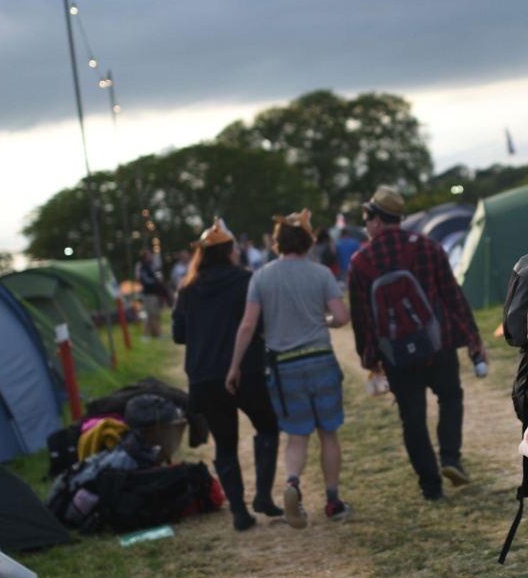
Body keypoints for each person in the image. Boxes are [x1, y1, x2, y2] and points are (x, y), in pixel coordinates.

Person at [346, 186, 486, 501]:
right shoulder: (428, 246)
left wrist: (370, 357)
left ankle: (430, 486)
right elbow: (452, 295)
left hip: (395, 355)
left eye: (367, 218)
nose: (366, 225)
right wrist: (472, 338)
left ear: (378, 220)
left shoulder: (360, 262)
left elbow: (362, 317)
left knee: (412, 419)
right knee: (450, 397)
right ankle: (450, 457)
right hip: (438, 345)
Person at [227, 210, 351, 525]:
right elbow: (341, 317)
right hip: (320, 358)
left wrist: (234, 367)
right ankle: (333, 501)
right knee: (328, 433)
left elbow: (247, 325)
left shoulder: (261, 277)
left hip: (284, 367)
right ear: (308, 241)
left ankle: (292, 483)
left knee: (297, 436)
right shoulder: (321, 273)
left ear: (278, 242)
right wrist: (320, 320)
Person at [174, 220, 282, 531]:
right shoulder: (246, 280)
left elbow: (179, 335)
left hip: (204, 377)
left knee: (225, 443)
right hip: (246, 370)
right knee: (268, 427)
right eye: (234, 248)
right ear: (228, 252)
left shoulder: (188, 289)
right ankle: (262, 495)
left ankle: (239, 511)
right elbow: (261, 325)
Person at [136, 248, 172, 340]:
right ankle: (147, 335)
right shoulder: (142, 266)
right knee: (150, 315)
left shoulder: (151, 265)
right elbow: (144, 280)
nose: (150, 256)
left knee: (155, 315)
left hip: (155, 293)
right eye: (149, 255)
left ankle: (155, 333)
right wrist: (156, 281)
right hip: (149, 294)